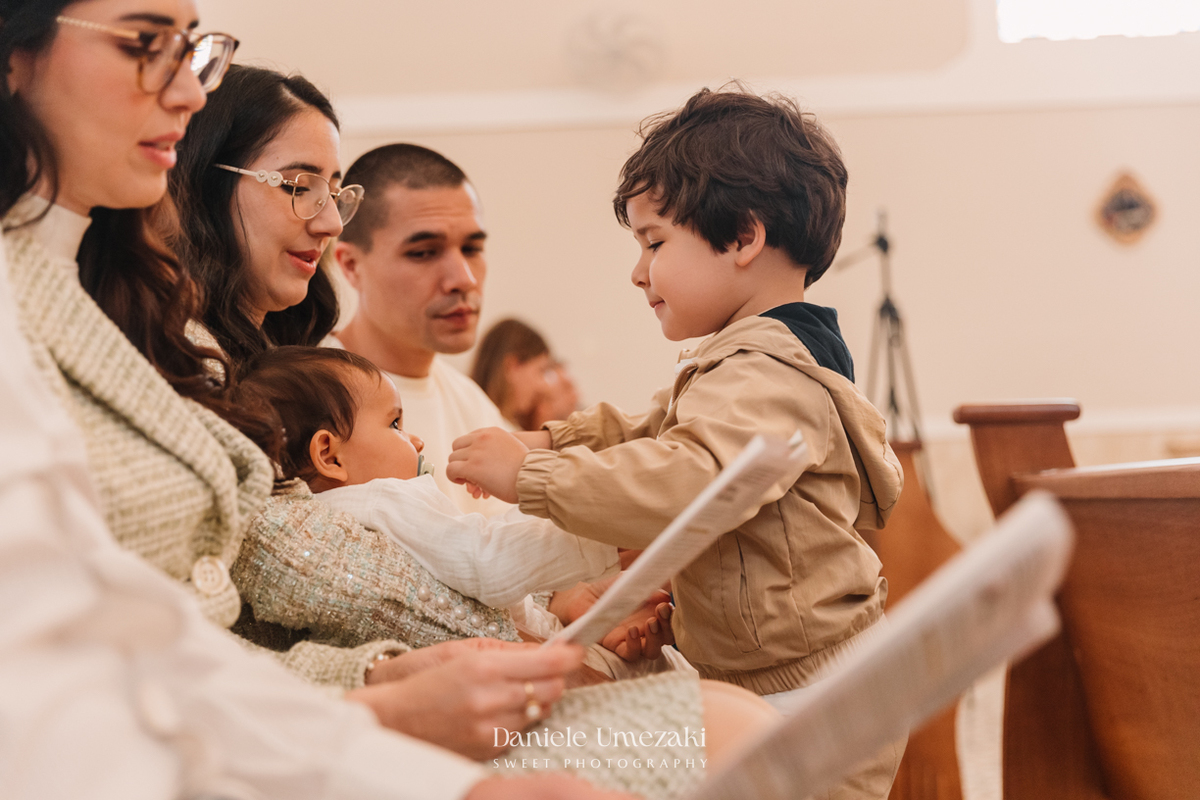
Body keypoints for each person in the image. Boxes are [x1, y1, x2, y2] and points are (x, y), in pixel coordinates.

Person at [0, 2, 633, 798]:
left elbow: (161, 635)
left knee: (708, 730)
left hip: (284, 718)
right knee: (683, 740)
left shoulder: (139, 321)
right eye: (146, 43)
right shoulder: (124, 332)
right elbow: (117, 643)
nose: (189, 89)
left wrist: (390, 680)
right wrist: (384, 691)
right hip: (199, 746)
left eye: (193, 50)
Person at [448, 87, 907, 798]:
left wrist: (530, 479)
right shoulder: (750, 359)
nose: (638, 271)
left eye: (654, 242)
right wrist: (546, 437)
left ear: (743, 237)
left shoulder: (768, 375)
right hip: (783, 682)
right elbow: (648, 429)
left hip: (811, 695)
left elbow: (681, 477)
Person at [232, 345, 622, 610]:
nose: (416, 440)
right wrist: (595, 523)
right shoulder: (383, 500)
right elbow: (485, 560)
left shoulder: (341, 511)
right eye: (395, 424)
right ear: (330, 456)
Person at [332, 144, 511, 515]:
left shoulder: (473, 403)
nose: (462, 279)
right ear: (351, 265)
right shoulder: (311, 398)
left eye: (472, 248)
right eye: (424, 252)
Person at [168, 63, 353, 365]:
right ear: (205, 185)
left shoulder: (298, 358)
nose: (332, 225)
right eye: (298, 188)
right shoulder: (175, 356)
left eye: (333, 194)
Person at [472, 317, 581, 432]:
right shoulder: (484, 427)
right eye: (541, 370)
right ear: (512, 366)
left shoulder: (505, 427)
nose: (543, 386)